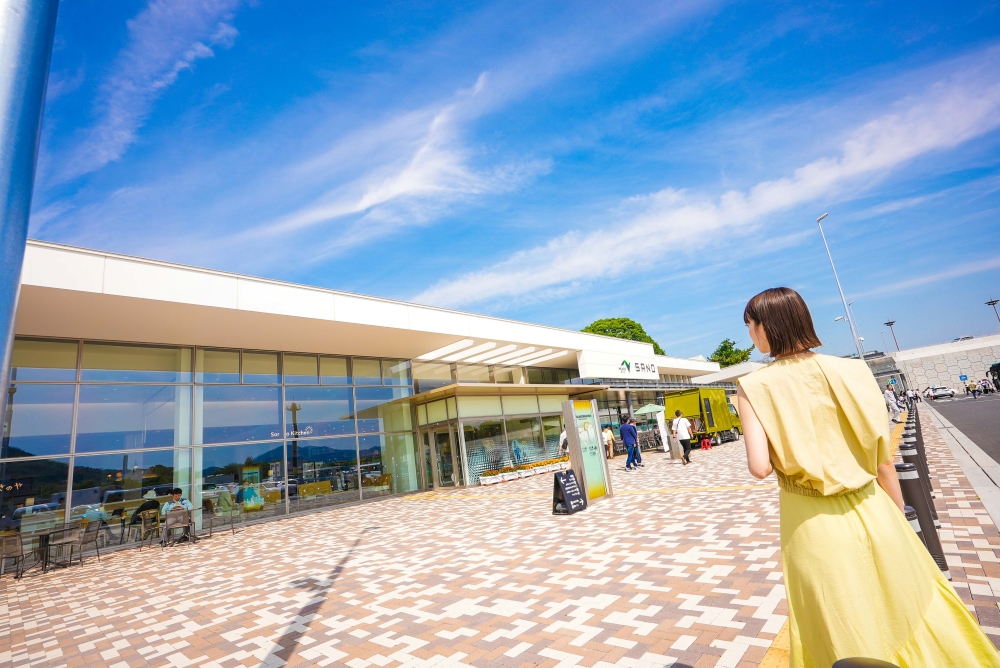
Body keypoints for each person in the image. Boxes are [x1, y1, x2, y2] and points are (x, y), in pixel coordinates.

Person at [736, 286, 999, 667]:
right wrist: (899, 517)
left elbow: (759, 467)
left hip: (811, 522)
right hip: (874, 508)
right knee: (908, 604)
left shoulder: (753, 386)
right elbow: (883, 463)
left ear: (766, 327)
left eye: (750, 325)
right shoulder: (854, 371)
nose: (750, 334)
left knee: (835, 619)